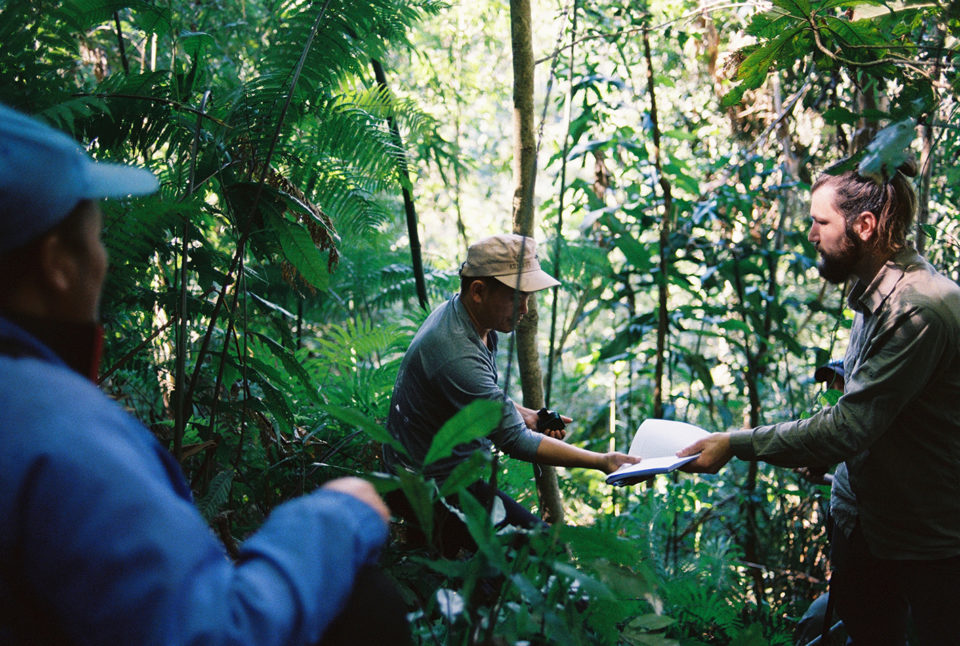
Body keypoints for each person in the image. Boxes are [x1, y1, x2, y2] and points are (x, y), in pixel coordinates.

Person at [0, 103, 409, 645]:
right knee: (367, 602)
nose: (104, 260)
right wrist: (338, 516)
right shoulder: (55, 430)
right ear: (57, 264)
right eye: (98, 240)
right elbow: (210, 633)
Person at [679, 159, 960, 645]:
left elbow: (851, 425)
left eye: (820, 221)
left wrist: (736, 443)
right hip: (863, 522)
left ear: (865, 226)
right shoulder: (877, 291)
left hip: (923, 539)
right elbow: (878, 407)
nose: (810, 234)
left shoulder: (921, 308)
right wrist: (829, 454)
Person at [382, 233, 639, 555]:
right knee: (544, 552)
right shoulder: (454, 349)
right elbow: (514, 440)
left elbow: (483, 397)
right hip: (426, 486)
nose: (525, 308)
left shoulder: (472, 319)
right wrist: (603, 461)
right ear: (478, 291)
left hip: (448, 473)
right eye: (517, 297)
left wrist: (529, 415)